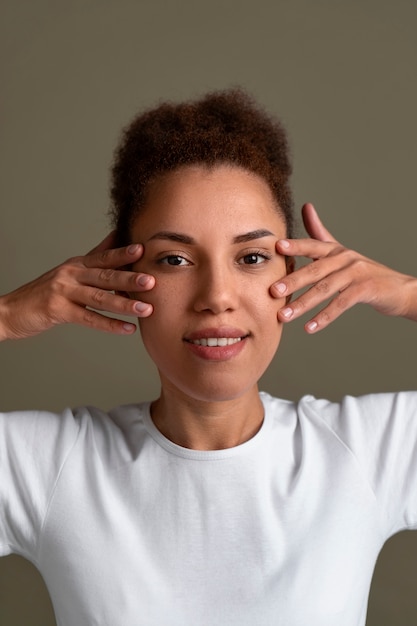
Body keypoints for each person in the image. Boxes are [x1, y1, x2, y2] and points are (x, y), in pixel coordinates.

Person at [1, 89, 417, 626]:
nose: (217, 295)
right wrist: (9, 314)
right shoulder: (47, 466)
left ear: (291, 275)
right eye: (175, 258)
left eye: (251, 257)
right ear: (123, 280)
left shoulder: (368, 451)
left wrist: (407, 293)